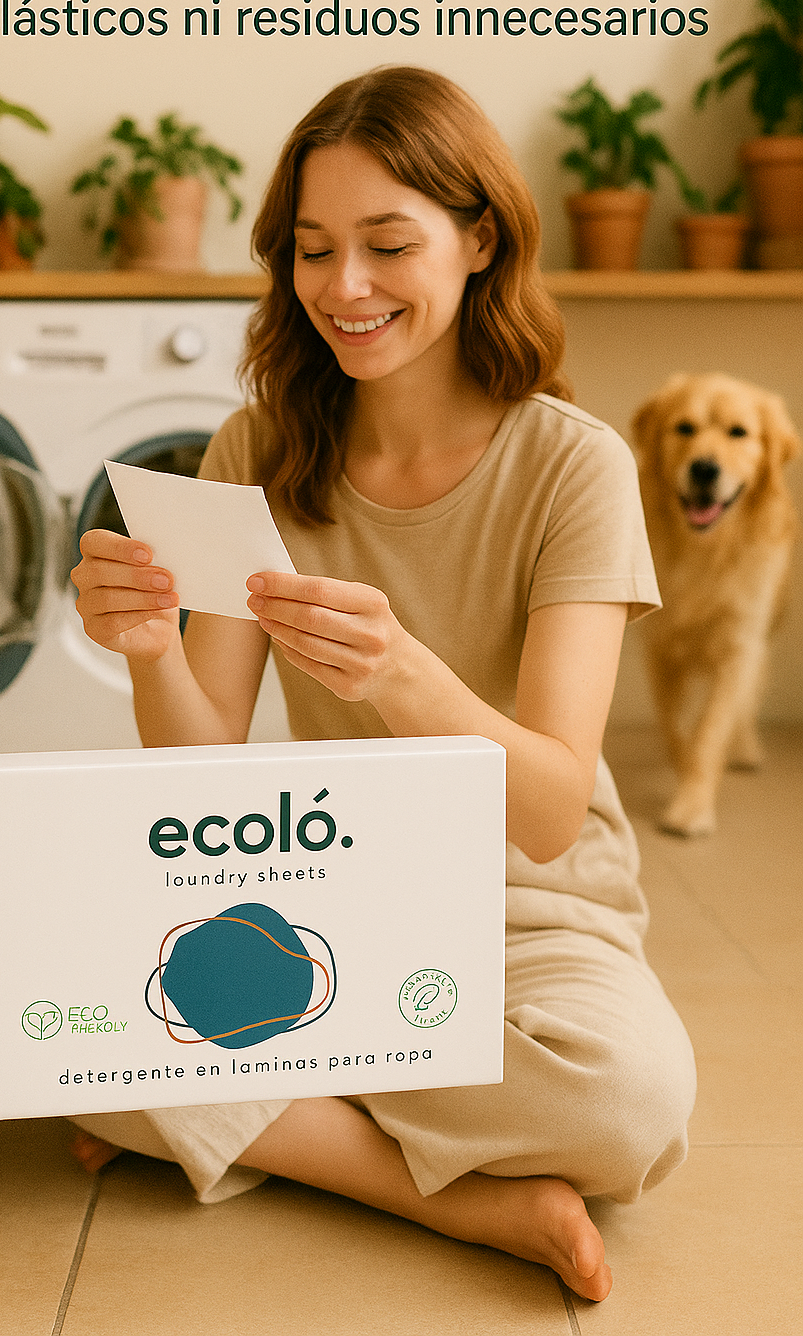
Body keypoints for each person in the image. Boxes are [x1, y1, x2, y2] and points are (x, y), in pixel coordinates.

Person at [69, 66, 696, 1304]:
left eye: (386, 244)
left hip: (533, 920)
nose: (342, 288)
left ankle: (251, 1111)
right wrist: (147, 652)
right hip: (316, 892)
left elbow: (550, 812)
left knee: (629, 1101)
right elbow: (198, 782)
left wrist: (402, 671)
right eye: (311, 250)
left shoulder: (577, 467)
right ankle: (469, 1204)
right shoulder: (257, 447)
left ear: (479, 240)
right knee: (49, 989)